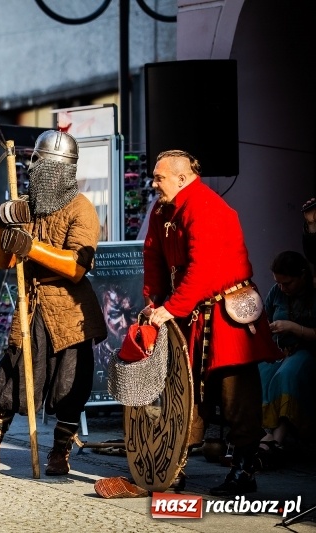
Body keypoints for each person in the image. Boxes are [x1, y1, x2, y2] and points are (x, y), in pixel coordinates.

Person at [0, 130, 107, 476]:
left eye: (40, 164)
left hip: (70, 311)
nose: (32, 171)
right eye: (32, 163)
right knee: (12, 373)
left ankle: (60, 454)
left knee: (70, 387)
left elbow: (77, 268)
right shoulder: (26, 206)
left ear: (58, 170)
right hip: (32, 303)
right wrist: (5, 227)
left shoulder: (82, 209)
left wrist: (30, 246)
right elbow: (0, 262)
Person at [141, 149, 280, 496]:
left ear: (183, 177)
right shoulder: (162, 209)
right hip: (192, 313)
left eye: (160, 177)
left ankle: (244, 471)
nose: (154, 183)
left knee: (237, 395)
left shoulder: (207, 206)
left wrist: (172, 306)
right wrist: (154, 301)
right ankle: (175, 464)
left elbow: (204, 268)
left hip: (226, 313)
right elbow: (153, 255)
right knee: (184, 391)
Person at [258, 250, 316, 468]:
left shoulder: (313, 294)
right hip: (280, 351)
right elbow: (264, 320)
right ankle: (266, 433)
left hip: (307, 351)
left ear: (302, 276)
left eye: (288, 283)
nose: (283, 288)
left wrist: (293, 328)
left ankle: (277, 438)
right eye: (278, 283)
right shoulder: (277, 292)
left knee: (287, 374)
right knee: (260, 370)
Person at [92, 282, 139, 389]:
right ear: (101, 311)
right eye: (114, 315)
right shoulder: (93, 356)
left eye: (132, 313)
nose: (125, 323)